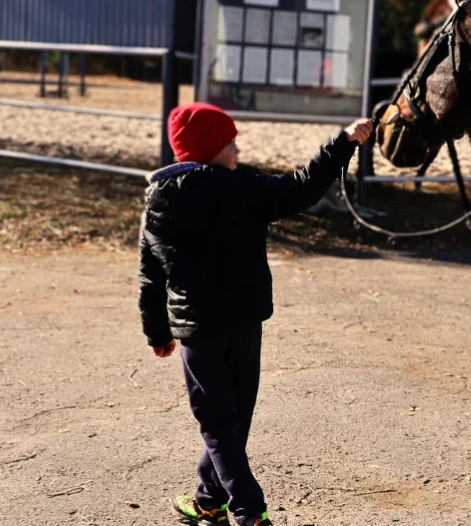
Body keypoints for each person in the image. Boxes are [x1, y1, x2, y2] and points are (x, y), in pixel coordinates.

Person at [138, 103, 374, 526]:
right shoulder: (242, 188)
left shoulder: (159, 199)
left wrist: (157, 332)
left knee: (223, 419)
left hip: (197, 327)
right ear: (211, 149)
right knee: (226, 418)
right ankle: (248, 511)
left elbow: (149, 275)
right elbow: (303, 187)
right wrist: (344, 142)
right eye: (230, 143)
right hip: (243, 323)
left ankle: (210, 498)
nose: (236, 151)